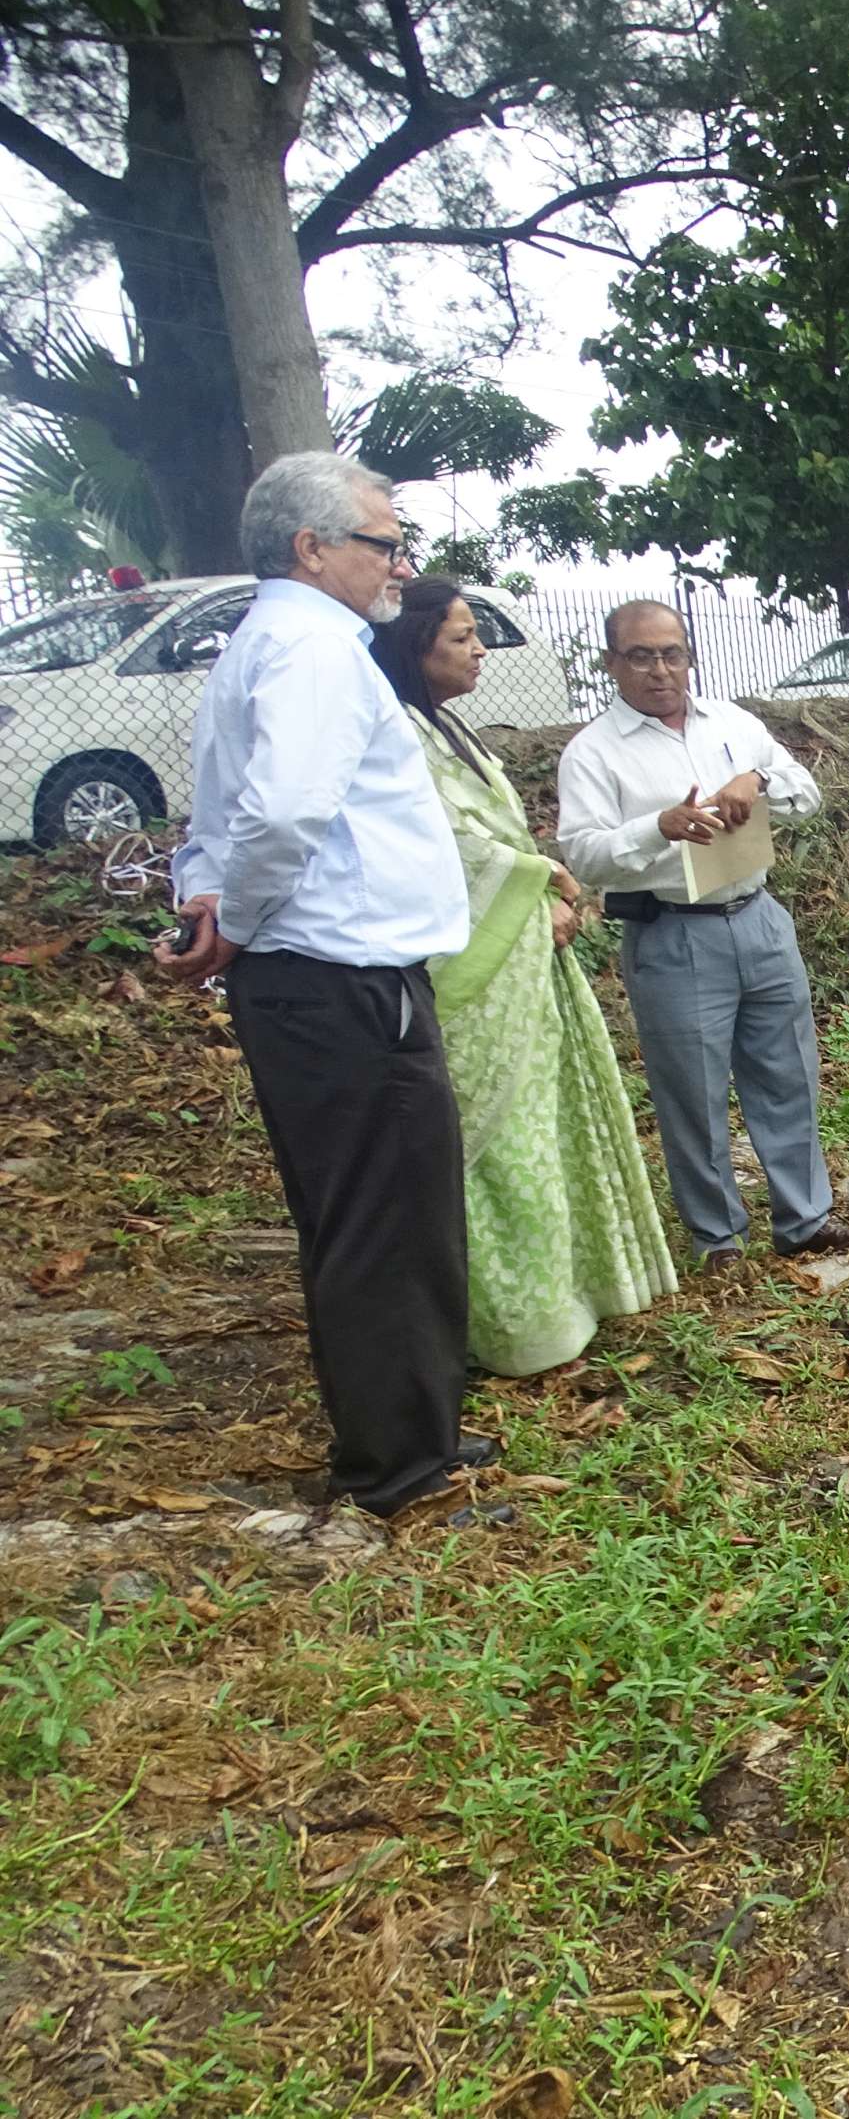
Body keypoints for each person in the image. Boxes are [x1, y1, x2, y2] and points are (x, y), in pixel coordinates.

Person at [156, 453, 494, 1515]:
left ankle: (417, 1423)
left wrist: (216, 903)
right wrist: (240, 926)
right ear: (312, 548)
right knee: (378, 1222)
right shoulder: (309, 650)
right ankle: (396, 1466)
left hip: (339, 973)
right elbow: (282, 813)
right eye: (383, 542)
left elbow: (222, 817)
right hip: (336, 977)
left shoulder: (278, 647)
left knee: (402, 1210)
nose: (399, 563)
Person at [370, 579, 680, 1372]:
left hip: (522, 967)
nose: (480, 650)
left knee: (539, 1136)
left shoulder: (443, 728)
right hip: (475, 979)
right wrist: (537, 883)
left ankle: (562, 1305)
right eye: (462, 637)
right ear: (415, 646)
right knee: (496, 1151)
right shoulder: (394, 734)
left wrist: (542, 886)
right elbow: (445, 848)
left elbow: (489, 837)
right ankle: (510, 1327)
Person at [554, 600, 849, 1268]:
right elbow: (582, 853)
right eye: (640, 655)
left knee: (787, 1071)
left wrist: (754, 780)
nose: (660, 669)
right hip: (673, 931)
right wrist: (657, 827)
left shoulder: (731, 723)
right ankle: (718, 1237)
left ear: (689, 656)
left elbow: (805, 795)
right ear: (612, 663)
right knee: (691, 1091)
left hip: (755, 916)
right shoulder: (594, 752)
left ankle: (804, 1218)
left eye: (672, 653)